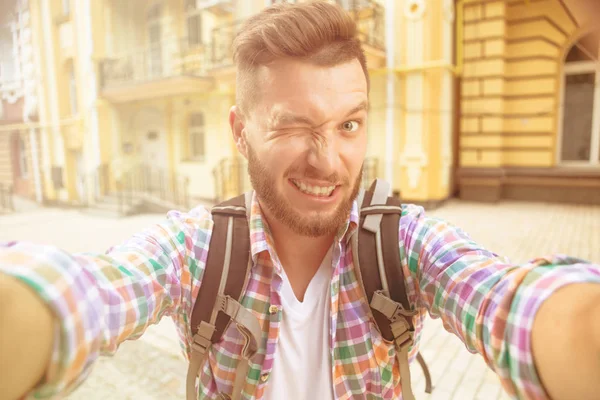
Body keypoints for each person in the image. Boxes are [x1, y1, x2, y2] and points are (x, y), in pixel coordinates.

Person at [1, 2, 600, 400]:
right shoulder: (198, 247)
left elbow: (510, 304)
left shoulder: (401, 243)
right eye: (293, 126)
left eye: (348, 125)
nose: (327, 159)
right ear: (239, 131)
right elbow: (88, 293)